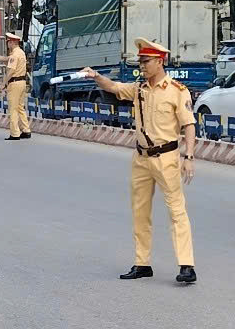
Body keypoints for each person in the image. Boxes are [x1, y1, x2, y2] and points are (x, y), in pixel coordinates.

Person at [82, 38, 198, 285]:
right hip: (141, 158)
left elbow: (189, 125)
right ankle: (142, 263)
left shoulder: (177, 91)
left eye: (145, 62)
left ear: (159, 61)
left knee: (176, 211)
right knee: (140, 211)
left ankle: (187, 265)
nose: (142, 66)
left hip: (166, 157)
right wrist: (96, 76)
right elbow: (114, 87)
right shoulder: (139, 89)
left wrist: (188, 156)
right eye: (140, 62)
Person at [0, 32, 31, 141]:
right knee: (20, 108)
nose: (7, 44)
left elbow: (11, 70)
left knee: (13, 109)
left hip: (15, 83)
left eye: (8, 42)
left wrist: (3, 84)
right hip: (22, 82)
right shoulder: (20, 53)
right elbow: (6, 59)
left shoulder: (15, 54)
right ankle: (26, 130)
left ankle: (15, 133)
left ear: (12, 42)